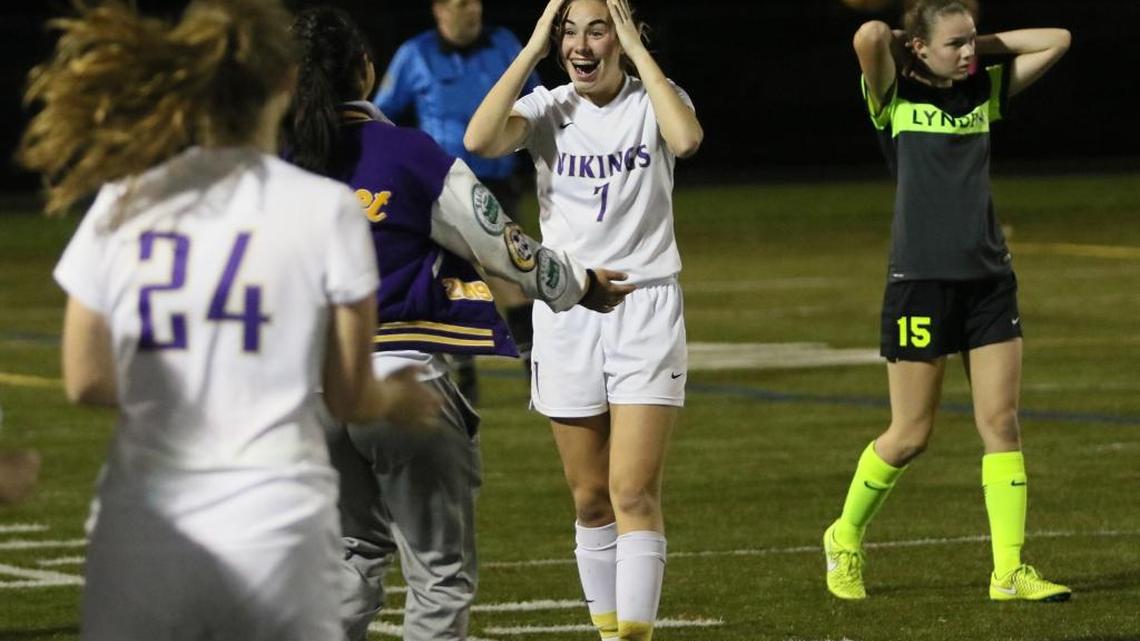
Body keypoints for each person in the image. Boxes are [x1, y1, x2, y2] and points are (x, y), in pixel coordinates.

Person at [17, 1, 438, 639]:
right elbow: (350, 395)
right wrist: (397, 399)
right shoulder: (326, 209)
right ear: (286, 83)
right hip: (274, 527)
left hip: (144, 526)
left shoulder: (124, 200)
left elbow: (86, 378)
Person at [284, 7, 634, 641]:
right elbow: (503, 247)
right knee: (439, 576)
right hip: (400, 381)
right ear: (365, 70)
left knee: (349, 561)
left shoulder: (270, 165)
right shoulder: (408, 154)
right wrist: (580, 285)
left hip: (306, 391)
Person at [465, 0, 702, 639]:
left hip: (644, 307)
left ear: (623, 35)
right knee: (591, 499)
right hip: (568, 311)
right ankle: (608, 632)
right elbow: (479, 140)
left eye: (597, 30)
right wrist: (531, 48)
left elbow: (686, 140)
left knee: (632, 492)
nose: (580, 45)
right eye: (568, 31)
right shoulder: (548, 107)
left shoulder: (656, 98)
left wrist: (638, 51)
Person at [822, 0, 1072, 602]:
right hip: (920, 283)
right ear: (918, 47)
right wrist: (914, 38)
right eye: (954, 44)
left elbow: (1058, 38)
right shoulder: (893, 97)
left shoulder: (982, 91)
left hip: (990, 281)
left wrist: (973, 45)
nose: (967, 54)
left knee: (1001, 424)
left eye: (971, 42)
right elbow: (869, 34)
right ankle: (844, 535)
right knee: (911, 433)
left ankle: (1008, 571)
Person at [375, 0, 544, 404]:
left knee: (514, 277)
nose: (471, 11)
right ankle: (462, 381)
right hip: (439, 186)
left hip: (496, 185)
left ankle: (538, 374)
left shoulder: (504, 45)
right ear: (439, 10)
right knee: (448, 280)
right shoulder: (415, 55)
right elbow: (381, 115)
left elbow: (540, 101)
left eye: (475, 2)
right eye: (460, 3)